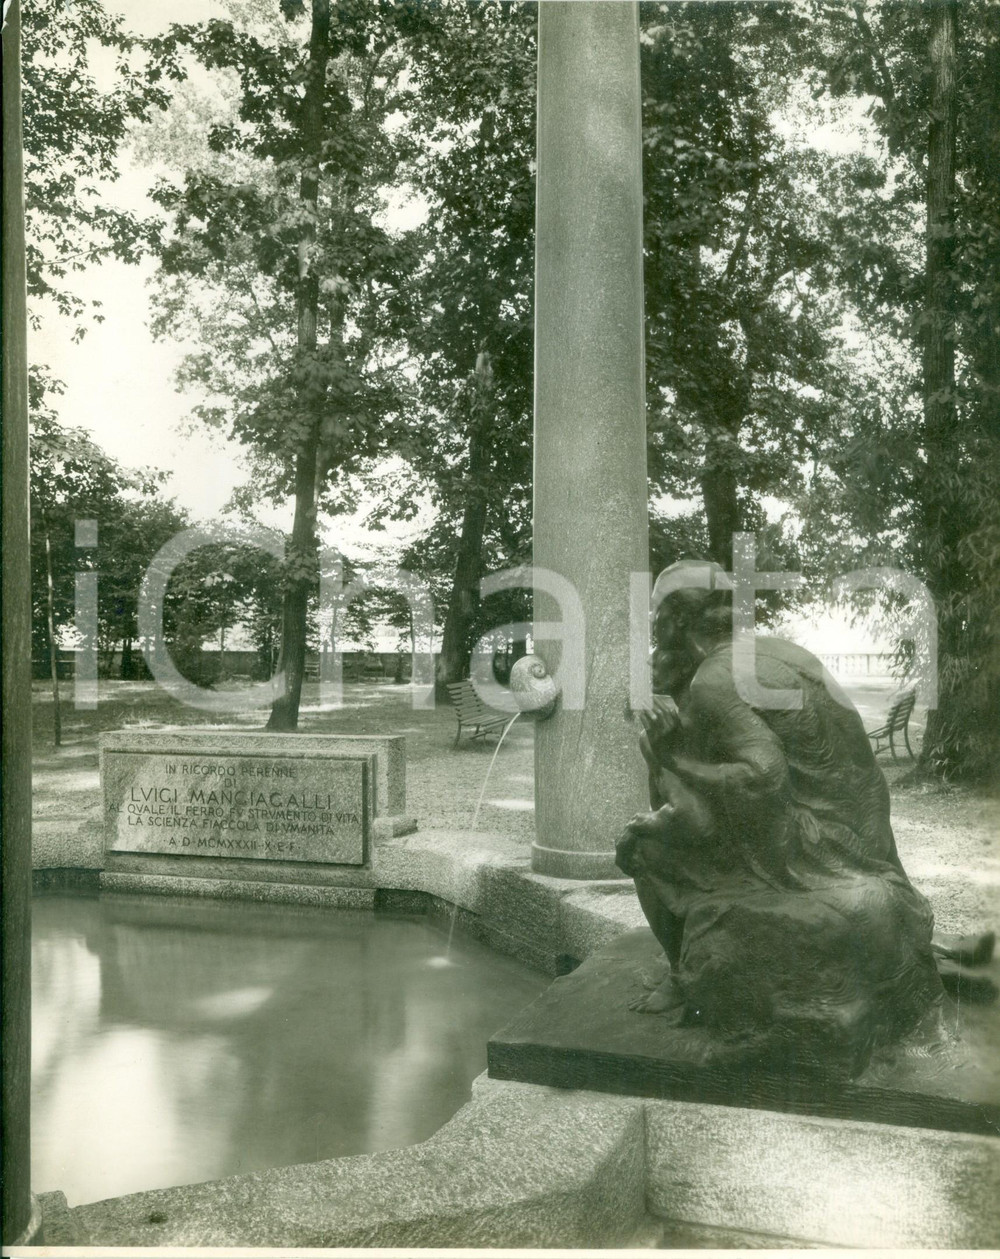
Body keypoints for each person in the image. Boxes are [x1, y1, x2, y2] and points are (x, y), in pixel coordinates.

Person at [616, 561, 943, 1077]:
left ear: (675, 619)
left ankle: (682, 977)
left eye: (656, 613)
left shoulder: (714, 679)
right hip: (863, 839)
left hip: (818, 847)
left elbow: (763, 778)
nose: (652, 626)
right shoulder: (780, 651)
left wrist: (669, 755)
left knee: (643, 846)